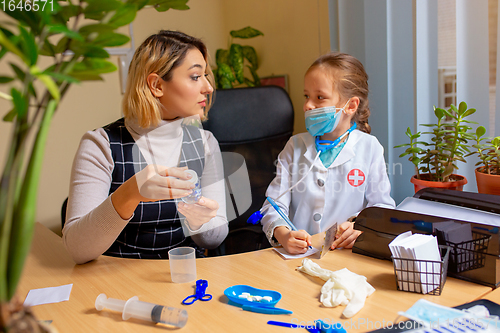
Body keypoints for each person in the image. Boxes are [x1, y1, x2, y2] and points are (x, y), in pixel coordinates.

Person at [63, 30, 228, 264]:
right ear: (156, 85)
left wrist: (200, 220)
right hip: (115, 278)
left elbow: (214, 240)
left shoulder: (205, 143)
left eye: (205, 76)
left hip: (185, 275)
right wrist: (131, 193)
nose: (208, 87)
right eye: (195, 76)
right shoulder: (100, 145)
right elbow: (78, 250)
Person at [261, 52, 395, 255]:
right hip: (298, 257)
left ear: (350, 105)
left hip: (346, 256)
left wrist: (359, 227)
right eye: (306, 96)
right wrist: (283, 234)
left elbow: (382, 208)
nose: (307, 105)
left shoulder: (370, 148)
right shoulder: (295, 146)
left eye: (319, 97)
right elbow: (273, 204)